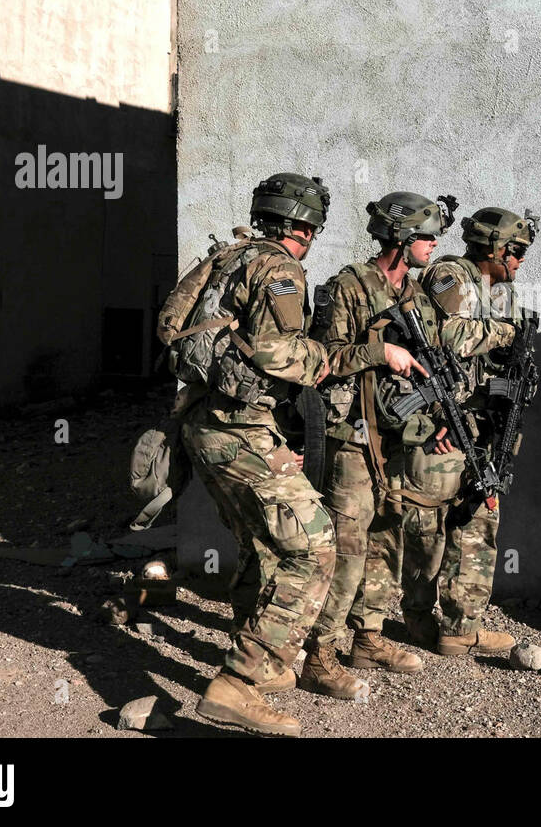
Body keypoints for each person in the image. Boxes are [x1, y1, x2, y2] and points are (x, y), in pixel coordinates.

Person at [302, 191, 502, 698]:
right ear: (398, 237)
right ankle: (319, 654)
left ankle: (368, 638)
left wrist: (441, 418)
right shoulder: (347, 286)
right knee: (348, 546)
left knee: (387, 536)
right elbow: (319, 360)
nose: (434, 244)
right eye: (425, 236)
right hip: (351, 436)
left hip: (397, 435)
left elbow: (432, 359)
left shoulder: (414, 292)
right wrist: (379, 351)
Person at [181, 173, 335, 736]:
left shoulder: (230, 257)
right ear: (303, 225)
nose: (312, 236)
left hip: (204, 425)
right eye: (314, 227)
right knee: (315, 546)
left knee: (262, 541)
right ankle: (239, 684)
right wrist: (343, 355)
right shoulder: (279, 268)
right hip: (239, 431)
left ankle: (262, 659)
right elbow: (278, 354)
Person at [409, 207, 538, 654]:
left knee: (479, 523)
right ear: (492, 248)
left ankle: (461, 628)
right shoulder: (450, 277)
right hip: (440, 424)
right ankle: (416, 619)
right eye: (516, 252)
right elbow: (450, 337)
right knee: (429, 526)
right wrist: (504, 334)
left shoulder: (498, 291)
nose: (520, 261)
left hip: (481, 426)